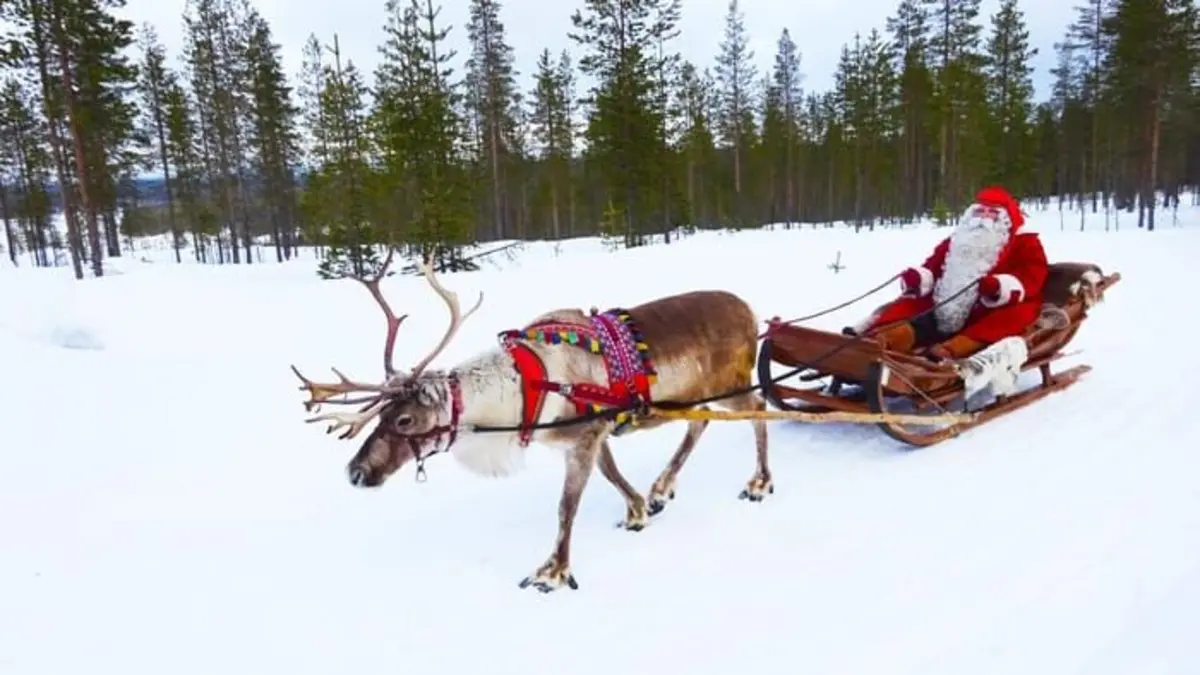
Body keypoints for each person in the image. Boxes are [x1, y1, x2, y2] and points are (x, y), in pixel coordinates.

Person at [850, 185, 1049, 360]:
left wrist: (999, 287)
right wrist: (918, 278)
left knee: (1008, 319)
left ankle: (953, 350)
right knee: (912, 308)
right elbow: (933, 265)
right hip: (946, 304)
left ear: (1005, 220)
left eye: (992, 213)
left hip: (991, 308)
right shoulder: (958, 240)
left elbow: (1033, 275)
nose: (984, 218)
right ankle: (884, 340)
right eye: (980, 212)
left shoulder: (1025, 242)